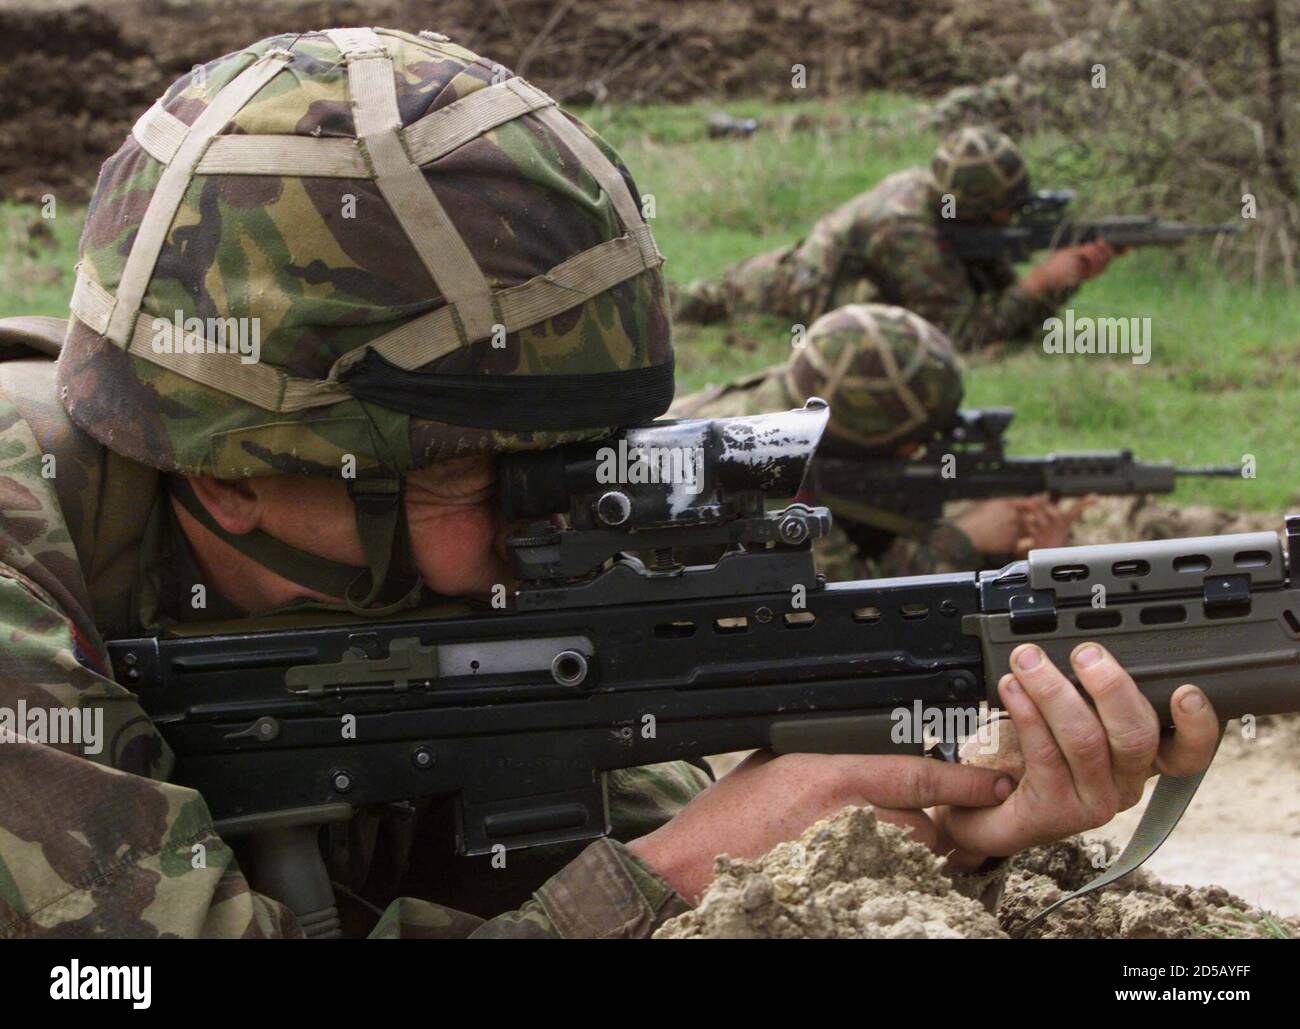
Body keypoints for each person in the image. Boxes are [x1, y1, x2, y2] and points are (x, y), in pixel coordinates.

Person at [0, 29, 1218, 940]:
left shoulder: (447, 609)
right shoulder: (18, 571)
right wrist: (665, 887)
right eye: (473, 480)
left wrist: (909, 822)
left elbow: (665, 820)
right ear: (228, 476)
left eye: (585, 464)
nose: (548, 535)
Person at [669, 303, 1091, 579]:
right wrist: (964, 541)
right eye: (915, 441)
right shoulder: (771, 472)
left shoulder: (785, 404)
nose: (919, 449)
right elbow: (849, 610)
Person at [673, 126, 1119, 353]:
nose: (1012, 218)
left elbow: (1001, 308)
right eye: (1004, 210)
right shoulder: (908, 230)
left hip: (797, 275)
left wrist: (1067, 276)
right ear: (975, 206)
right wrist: (1042, 282)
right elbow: (959, 337)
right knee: (686, 307)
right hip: (779, 293)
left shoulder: (943, 206)